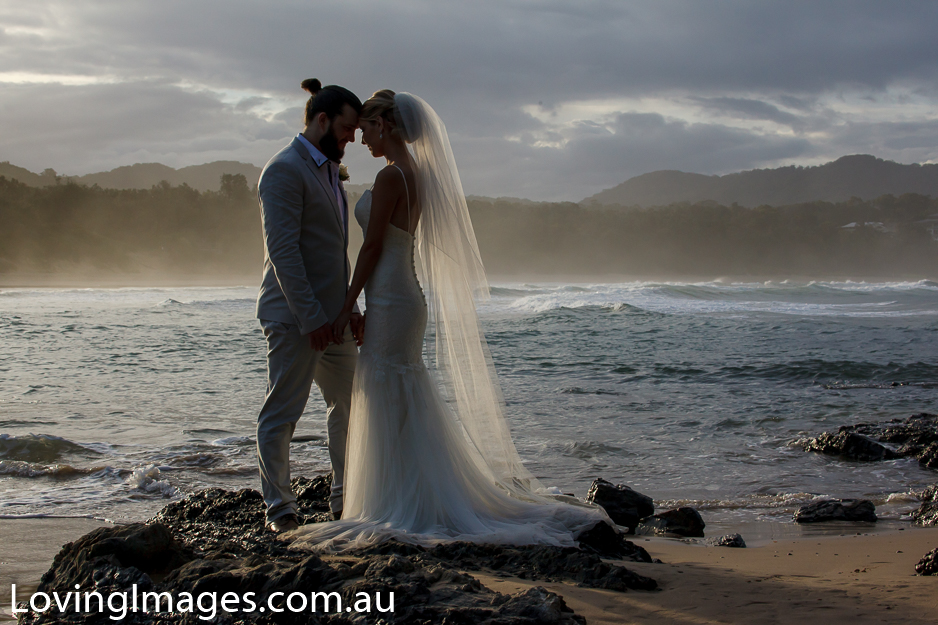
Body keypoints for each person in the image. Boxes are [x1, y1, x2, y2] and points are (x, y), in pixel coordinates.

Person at [290, 90, 610, 551]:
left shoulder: (391, 178)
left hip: (393, 299)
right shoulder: (416, 174)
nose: (360, 140)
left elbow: (373, 247)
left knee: (386, 391)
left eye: (366, 130)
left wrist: (346, 306)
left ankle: (396, 502)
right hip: (403, 297)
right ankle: (408, 494)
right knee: (401, 395)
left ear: (387, 126)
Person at [255, 79, 365, 533]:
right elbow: (285, 252)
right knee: (282, 413)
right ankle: (279, 509)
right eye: (345, 128)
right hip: (295, 317)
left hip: (332, 319)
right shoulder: (283, 170)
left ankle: (343, 498)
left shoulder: (330, 172)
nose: (351, 138)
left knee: (353, 401)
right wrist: (312, 318)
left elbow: (332, 250)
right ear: (322, 120)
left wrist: (348, 309)